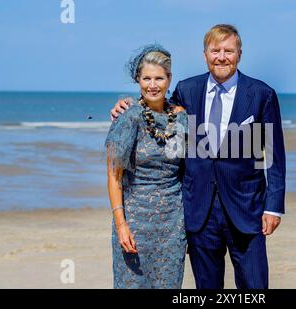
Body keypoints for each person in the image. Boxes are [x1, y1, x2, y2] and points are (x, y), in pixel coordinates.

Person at [111, 24, 286, 289]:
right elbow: (159, 108)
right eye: (215, 51)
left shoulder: (262, 95)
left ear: (239, 53)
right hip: (199, 211)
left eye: (228, 50)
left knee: (255, 287)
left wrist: (273, 206)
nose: (222, 57)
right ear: (205, 54)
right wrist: (127, 105)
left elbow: (271, 155)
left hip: (246, 209)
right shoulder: (187, 90)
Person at [105, 44, 187, 289]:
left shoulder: (181, 117)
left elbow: (191, 168)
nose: (153, 85)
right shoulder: (129, 117)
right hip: (134, 223)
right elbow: (113, 176)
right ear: (138, 80)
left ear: (169, 79)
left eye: (159, 78)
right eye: (147, 78)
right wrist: (121, 225)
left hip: (173, 223)